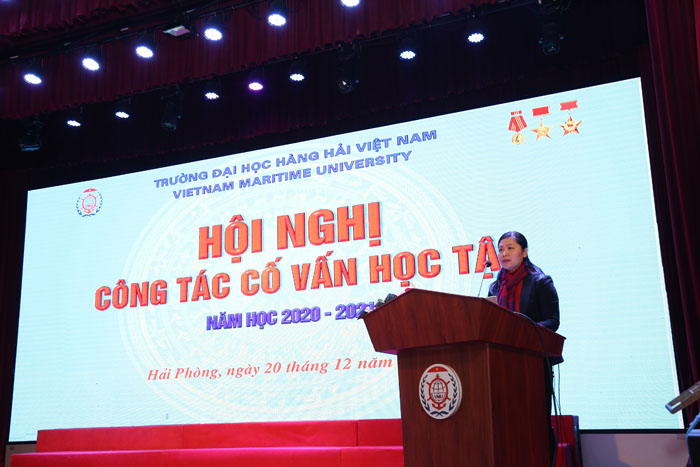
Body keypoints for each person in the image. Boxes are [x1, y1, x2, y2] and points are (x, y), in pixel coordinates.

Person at [487, 231, 560, 465]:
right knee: (505, 424)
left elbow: (553, 320)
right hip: (501, 366)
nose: (504, 254)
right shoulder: (494, 287)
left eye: (510, 248)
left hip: (533, 364)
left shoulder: (540, 282)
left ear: (524, 252)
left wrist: (523, 331)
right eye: (500, 249)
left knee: (536, 423)